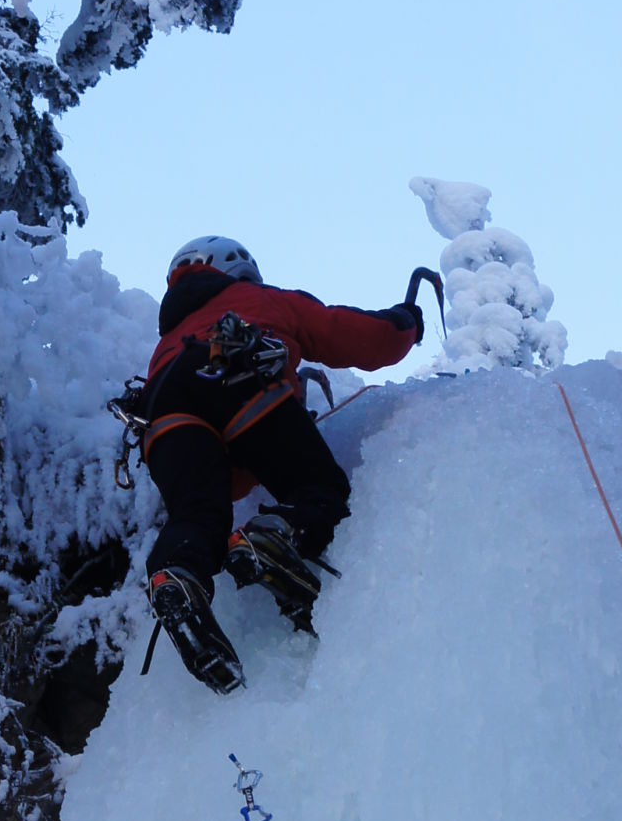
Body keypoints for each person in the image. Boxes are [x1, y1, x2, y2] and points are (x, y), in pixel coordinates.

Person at [141, 235, 422, 693]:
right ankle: (277, 536)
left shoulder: (167, 342)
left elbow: (226, 482)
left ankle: (178, 573)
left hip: (161, 414)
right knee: (317, 487)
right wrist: (405, 323)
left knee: (196, 515)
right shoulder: (257, 299)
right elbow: (351, 335)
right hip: (237, 373)